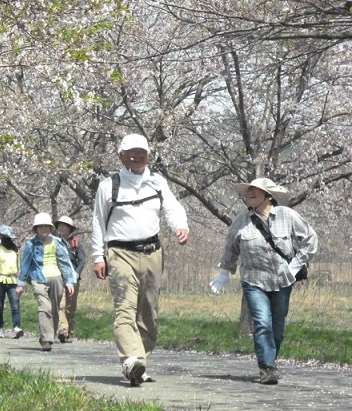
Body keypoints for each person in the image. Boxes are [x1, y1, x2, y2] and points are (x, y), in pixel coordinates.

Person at [91, 133, 189, 386]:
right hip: (120, 253)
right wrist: (97, 256)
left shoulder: (157, 183)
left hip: (152, 253)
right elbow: (98, 223)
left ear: (148, 156)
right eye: (131, 153)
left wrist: (180, 226)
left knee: (149, 315)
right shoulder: (108, 185)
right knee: (125, 309)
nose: (137, 157)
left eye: (142, 153)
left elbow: (172, 207)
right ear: (121, 156)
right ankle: (130, 360)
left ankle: (138, 365)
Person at [210, 177, 318, 385]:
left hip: (283, 279)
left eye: (255, 192)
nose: (249, 194)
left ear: (268, 196)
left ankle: (271, 361)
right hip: (253, 280)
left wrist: (294, 267)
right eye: (248, 192)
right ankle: (267, 367)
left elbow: (310, 240)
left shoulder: (288, 216)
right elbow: (230, 248)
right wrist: (224, 273)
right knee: (262, 323)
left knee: (277, 326)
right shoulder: (241, 221)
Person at [16, 212, 77, 352]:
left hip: (56, 277)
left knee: (55, 309)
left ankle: (49, 334)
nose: (43, 229)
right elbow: (25, 264)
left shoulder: (57, 242)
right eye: (40, 226)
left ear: (50, 228)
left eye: (46, 226)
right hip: (38, 278)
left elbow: (65, 263)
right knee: (45, 307)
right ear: (36, 229)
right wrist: (20, 284)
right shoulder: (30, 244)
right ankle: (46, 339)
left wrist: (69, 282)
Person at [55, 215, 85, 343]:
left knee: (70, 307)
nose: (62, 228)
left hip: (73, 279)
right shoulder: (54, 241)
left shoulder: (75, 243)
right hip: (59, 276)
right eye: (60, 225)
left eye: (64, 225)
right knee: (60, 304)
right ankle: (62, 330)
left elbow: (82, 260)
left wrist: (77, 273)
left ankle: (69, 333)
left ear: (69, 228)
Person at [0, 224, 23, 339]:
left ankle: (16, 327)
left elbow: (18, 265)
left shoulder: (15, 250)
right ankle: (0, 328)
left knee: (15, 305)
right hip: (0, 280)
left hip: (12, 280)